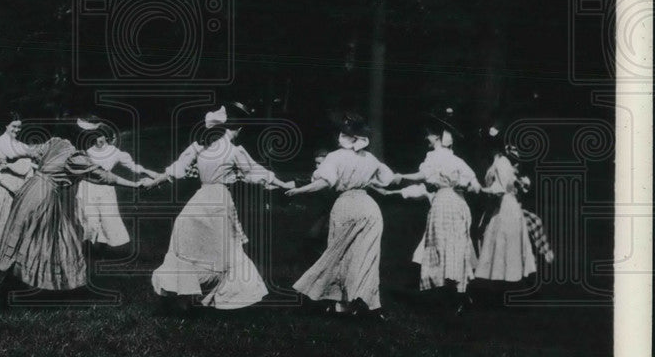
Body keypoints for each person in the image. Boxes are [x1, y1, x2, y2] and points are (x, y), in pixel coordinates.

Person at [148, 104, 294, 312]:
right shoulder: (234, 151)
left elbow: (176, 170)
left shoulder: (199, 146)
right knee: (227, 252)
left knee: (189, 249)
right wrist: (284, 184)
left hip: (198, 202)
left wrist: (152, 183)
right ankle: (219, 296)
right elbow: (257, 173)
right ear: (239, 129)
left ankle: (185, 295)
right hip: (218, 202)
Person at [0, 130, 150, 307]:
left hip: (29, 191)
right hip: (43, 196)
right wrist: (134, 184)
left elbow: (31, 151)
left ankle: (16, 290)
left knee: (31, 237)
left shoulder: (56, 141)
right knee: (43, 240)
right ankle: (21, 292)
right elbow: (103, 176)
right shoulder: (74, 157)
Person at [287, 114, 402, 318]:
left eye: (345, 133)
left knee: (338, 254)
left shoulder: (336, 156)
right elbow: (388, 178)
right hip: (368, 207)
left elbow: (325, 181)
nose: (340, 136)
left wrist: (300, 191)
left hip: (347, 205)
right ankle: (359, 304)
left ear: (352, 137)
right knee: (365, 256)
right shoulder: (370, 158)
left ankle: (339, 301)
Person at [398, 109, 482, 313]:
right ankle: (458, 292)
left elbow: (422, 175)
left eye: (428, 134)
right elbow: (475, 184)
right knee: (457, 245)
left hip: (444, 204)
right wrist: (464, 186)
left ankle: (450, 293)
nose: (426, 138)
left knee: (441, 245)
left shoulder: (434, 157)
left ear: (437, 136)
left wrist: (402, 176)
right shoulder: (456, 159)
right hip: (459, 204)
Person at [75, 118, 159, 250]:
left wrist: (149, 172)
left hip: (106, 188)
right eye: (95, 136)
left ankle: (101, 251)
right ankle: (88, 250)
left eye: (101, 136)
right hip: (87, 187)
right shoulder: (87, 151)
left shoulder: (115, 152)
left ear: (107, 136)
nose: (98, 139)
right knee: (90, 220)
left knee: (108, 220)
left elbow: (132, 166)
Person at [473, 135, 537, 286]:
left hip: (506, 207)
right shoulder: (501, 162)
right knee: (501, 244)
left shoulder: (501, 163)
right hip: (505, 205)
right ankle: (505, 284)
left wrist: (480, 189)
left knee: (504, 243)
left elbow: (500, 189)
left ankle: (507, 284)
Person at [0, 119, 36, 258]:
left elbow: (28, 170)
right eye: (13, 126)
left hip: (19, 187)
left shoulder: (22, 146)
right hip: (1, 187)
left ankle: (6, 251)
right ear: (6, 125)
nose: (17, 130)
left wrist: (25, 187)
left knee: (11, 220)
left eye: (19, 127)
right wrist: (8, 185)